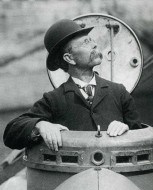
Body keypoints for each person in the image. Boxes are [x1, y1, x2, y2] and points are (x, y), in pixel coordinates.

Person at [3, 19, 141, 152]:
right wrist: (41, 125)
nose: (94, 44)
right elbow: (11, 133)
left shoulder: (119, 92)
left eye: (91, 39)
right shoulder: (54, 99)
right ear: (69, 58)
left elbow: (142, 138)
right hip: (73, 175)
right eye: (85, 42)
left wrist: (126, 130)